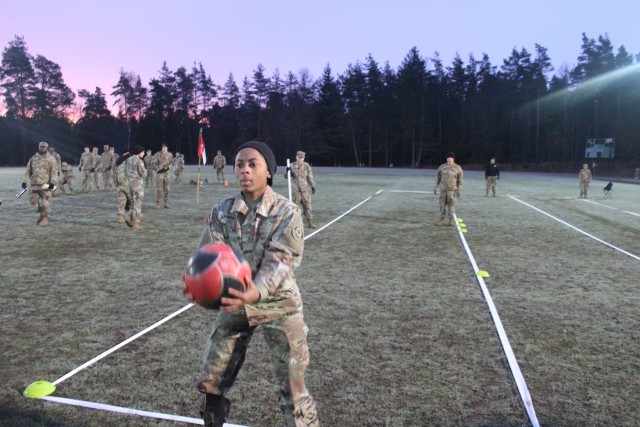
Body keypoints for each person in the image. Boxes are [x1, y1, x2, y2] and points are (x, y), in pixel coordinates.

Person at [190, 141, 318, 427]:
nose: (244, 170)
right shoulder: (221, 212)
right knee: (211, 382)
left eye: (252, 164)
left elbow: (281, 261)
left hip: (279, 305)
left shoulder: (287, 212)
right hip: (237, 302)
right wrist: (201, 285)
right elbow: (208, 257)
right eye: (239, 164)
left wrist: (254, 290)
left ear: (269, 172)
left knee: (293, 391)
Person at [21, 141, 58, 225]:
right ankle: (42, 212)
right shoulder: (33, 158)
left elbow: (54, 172)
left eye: (44, 147)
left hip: (46, 185)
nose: (42, 148)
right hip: (34, 185)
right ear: (39, 147)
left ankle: (45, 218)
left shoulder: (51, 159)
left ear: (47, 148)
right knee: (33, 201)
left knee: (45, 202)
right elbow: (28, 171)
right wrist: (24, 181)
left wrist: (52, 183)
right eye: (41, 147)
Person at [286, 151, 317, 228]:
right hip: (296, 190)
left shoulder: (306, 165)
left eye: (302, 158)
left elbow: (310, 176)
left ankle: (310, 223)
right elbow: (287, 177)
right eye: (299, 157)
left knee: (308, 206)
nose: (300, 159)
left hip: (305, 189)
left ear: (304, 158)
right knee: (296, 207)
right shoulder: (291, 165)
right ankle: (298, 224)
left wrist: (312, 185)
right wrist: (287, 171)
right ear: (296, 157)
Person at [434, 152, 463, 226]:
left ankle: (451, 220)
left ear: (453, 158)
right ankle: (442, 220)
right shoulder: (442, 167)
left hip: (452, 191)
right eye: (448, 157)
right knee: (442, 206)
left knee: (451, 206)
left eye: (451, 157)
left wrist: (459, 189)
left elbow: (460, 180)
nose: (449, 159)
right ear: (446, 158)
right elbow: (438, 178)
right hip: (443, 190)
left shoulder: (457, 168)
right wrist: (435, 186)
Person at [124, 145, 147, 230]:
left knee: (132, 202)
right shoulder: (139, 161)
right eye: (143, 152)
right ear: (139, 152)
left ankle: (129, 216)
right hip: (137, 185)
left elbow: (125, 171)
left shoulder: (128, 159)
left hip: (129, 184)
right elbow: (143, 174)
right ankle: (136, 224)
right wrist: (145, 170)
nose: (144, 154)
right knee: (137, 204)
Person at [152, 144, 173, 208]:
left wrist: (169, 167)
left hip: (167, 174)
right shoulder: (157, 154)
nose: (164, 149)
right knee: (159, 189)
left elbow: (171, 162)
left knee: (167, 189)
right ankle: (158, 203)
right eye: (163, 148)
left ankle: (166, 203)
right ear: (161, 148)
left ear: (167, 148)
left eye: (165, 148)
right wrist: (157, 168)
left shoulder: (170, 154)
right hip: (160, 174)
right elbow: (153, 163)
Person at [115, 150, 131, 223]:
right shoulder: (129, 165)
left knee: (122, 202)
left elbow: (117, 178)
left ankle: (121, 217)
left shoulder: (119, 166)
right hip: (127, 186)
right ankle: (130, 217)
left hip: (120, 186)